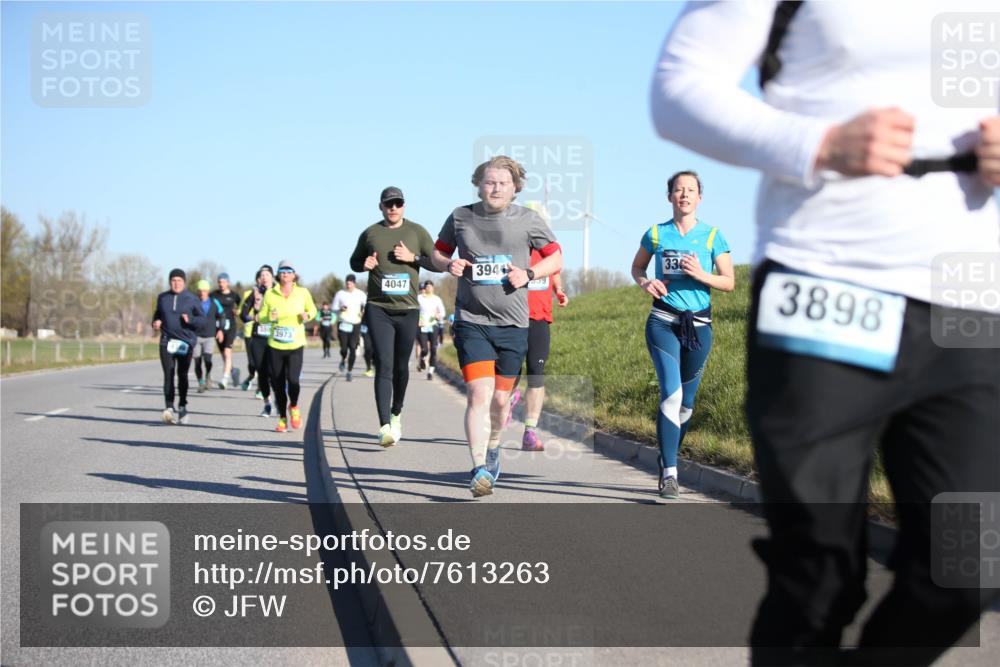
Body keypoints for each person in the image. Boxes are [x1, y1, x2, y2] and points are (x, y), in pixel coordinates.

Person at [651, 2, 1000, 663]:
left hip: (967, 300)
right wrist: (819, 145)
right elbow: (677, 86)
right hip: (823, 281)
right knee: (816, 577)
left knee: (970, 563)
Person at [430, 155, 562, 497]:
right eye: (489, 181)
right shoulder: (461, 217)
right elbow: (436, 253)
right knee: (478, 393)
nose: (496, 187)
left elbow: (556, 257)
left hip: (514, 324)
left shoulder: (528, 220)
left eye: (503, 183)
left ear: (515, 187)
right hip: (472, 321)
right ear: (479, 184)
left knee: (501, 401)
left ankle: (492, 446)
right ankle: (478, 468)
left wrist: (530, 274)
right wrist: (449, 264)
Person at [630, 171, 734, 498]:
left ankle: (667, 453)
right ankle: (670, 474)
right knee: (671, 394)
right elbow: (637, 268)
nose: (684, 195)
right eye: (678, 190)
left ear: (699, 197)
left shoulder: (712, 236)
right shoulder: (657, 234)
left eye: (690, 190)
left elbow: (729, 282)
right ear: (670, 196)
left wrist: (702, 274)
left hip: (699, 327)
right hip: (663, 320)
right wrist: (646, 282)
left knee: (686, 404)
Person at [349, 187, 439, 447]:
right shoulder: (370, 233)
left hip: (408, 309)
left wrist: (414, 258)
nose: (393, 208)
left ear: (404, 206)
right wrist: (363, 264)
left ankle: (396, 411)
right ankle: (384, 426)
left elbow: (438, 263)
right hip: (378, 307)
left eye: (398, 203)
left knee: (402, 367)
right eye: (389, 204)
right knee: (384, 365)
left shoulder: (416, 231)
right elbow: (354, 262)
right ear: (381, 206)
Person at [516, 249, 570, 450]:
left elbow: (554, 270)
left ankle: (530, 431)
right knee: (509, 375)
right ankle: (507, 402)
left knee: (536, 374)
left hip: (540, 318)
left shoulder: (549, 247)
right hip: (512, 319)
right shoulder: (512, 240)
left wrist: (559, 290)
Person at [258, 260, 317, 433]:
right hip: (275, 345)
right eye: (282, 271)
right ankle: (282, 418)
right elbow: (261, 317)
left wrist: (307, 315)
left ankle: (295, 406)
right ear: (278, 274)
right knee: (277, 383)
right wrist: (270, 316)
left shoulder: (302, 292)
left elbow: (313, 311)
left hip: (295, 344)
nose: (285, 273)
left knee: (293, 380)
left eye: (288, 271)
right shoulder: (270, 294)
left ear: (294, 275)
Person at [151, 269, 206, 424]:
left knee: (182, 375)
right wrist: (155, 322)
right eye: (173, 280)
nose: (176, 283)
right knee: (168, 373)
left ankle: (182, 404)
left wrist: (191, 320)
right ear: (170, 282)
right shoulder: (162, 298)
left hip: (185, 342)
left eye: (179, 281)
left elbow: (203, 320)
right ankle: (169, 407)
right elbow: (157, 314)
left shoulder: (192, 299)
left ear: (184, 282)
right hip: (166, 341)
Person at [239, 265, 276, 417]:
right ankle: (267, 404)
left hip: (275, 336)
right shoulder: (255, 293)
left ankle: (280, 401)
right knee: (261, 371)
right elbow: (243, 314)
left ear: (273, 277)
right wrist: (253, 318)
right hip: (258, 336)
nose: (265, 277)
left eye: (267, 274)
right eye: (262, 275)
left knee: (275, 372)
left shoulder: (279, 292)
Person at [332, 274, 367, 381]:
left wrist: (363, 312)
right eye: (347, 283)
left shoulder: (360, 294)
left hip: (356, 323)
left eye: (350, 283)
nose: (348, 285)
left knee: (352, 347)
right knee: (343, 348)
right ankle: (343, 358)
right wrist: (340, 308)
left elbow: (366, 305)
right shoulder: (340, 294)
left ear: (354, 283)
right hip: (343, 323)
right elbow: (333, 308)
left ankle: (349, 371)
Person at [192, 279, 224, 393]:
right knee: (197, 361)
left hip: (210, 335)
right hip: (196, 335)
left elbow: (222, 316)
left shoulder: (214, 302)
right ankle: (201, 382)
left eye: (204, 290)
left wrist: (220, 330)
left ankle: (208, 376)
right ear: (197, 291)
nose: (202, 293)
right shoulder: (193, 302)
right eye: (200, 290)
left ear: (208, 291)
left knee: (207, 359)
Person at [210, 273, 240, 389]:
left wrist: (237, 311)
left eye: (223, 282)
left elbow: (241, 306)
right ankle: (233, 371)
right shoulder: (214, 295)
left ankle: (225, 378)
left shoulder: (234, 295)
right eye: (219, 282)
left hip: (231, 327)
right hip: (218, 328)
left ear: (228, 282)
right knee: (223, 354)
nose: (221, 284)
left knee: (228, 352)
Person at [416, 280, 446, 380]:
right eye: (427, 287)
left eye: (430, 287)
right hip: (422, 325)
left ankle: (430, 372)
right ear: (424, 288)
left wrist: (439, 315)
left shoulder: (437, 299)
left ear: (433, 288)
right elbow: (414, 309)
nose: (428, 288)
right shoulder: (419, 298)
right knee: (424, 349)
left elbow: (443, 312)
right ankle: (422, 359)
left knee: (433, 349)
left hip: (433, 325)